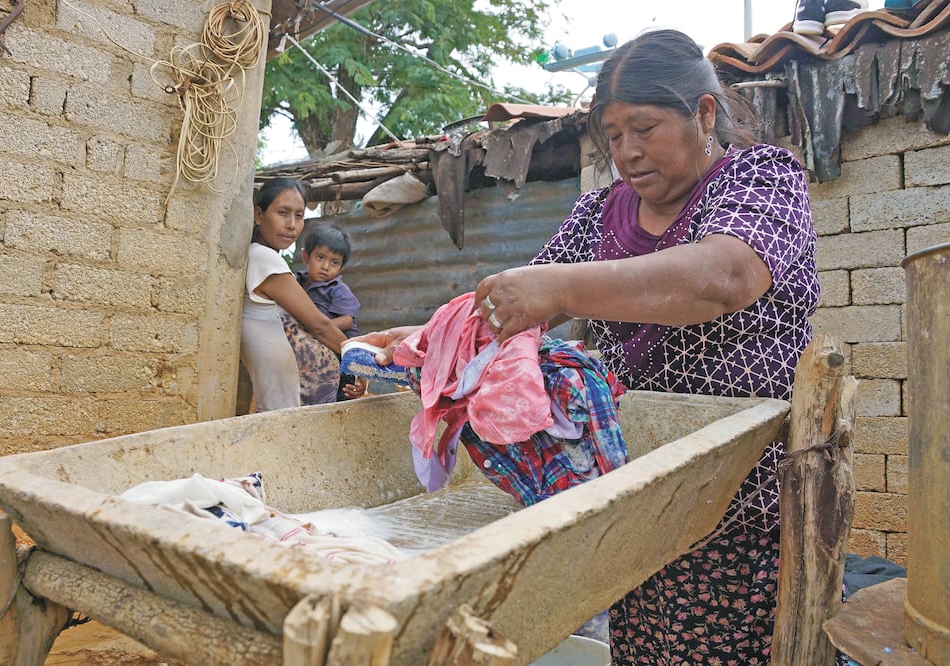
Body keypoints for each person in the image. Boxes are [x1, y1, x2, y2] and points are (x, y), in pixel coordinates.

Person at [354, 28, 820, 664]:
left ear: (704, 113)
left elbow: (724, 278)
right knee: (639, 644)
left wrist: (561, 288)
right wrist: (419, 343)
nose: (627, 151)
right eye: (613, 134)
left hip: (739, 496)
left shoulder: (761, 180)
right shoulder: (602, 214)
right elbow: (515, 315)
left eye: (644, 127)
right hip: (633, 488)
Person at [240, 177, 364, 412]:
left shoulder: (264, 258)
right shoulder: (264, 259)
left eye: (299, 215)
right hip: (293, 399)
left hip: (299, 398)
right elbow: (319, 325)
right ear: (258, 215)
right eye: (283, 213)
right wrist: (359, 362)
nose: (292, 225)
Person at [295, 222, 366, 401]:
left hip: (341, 354)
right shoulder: (296, 282)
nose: (326, 266)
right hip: (315, 356)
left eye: (334, 262)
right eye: (320, 258)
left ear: (341, 268)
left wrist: (316, 328)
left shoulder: (337, 289)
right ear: (305, 256)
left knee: (341, 397)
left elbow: (347, 320)